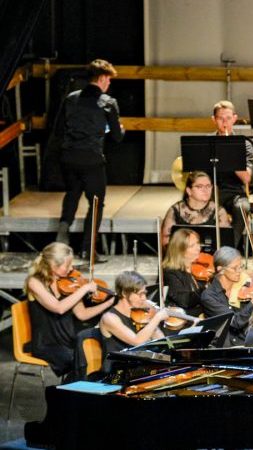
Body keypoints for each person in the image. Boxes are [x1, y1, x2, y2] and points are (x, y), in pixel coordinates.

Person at [52, 59, 122, 251]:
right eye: (108, 80)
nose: (109, 84)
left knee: (72, 194)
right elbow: (117, 137)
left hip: (68, 157)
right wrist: (117, 129)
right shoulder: (107, 103)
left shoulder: (71, 98)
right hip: (91, 158)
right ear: (101, 78)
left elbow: (58, 129)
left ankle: (62, 233)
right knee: (96, 203)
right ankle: (87, 249)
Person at [24, 243, 116, 376]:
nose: (71, 268)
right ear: (53, 265)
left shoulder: (69, 284)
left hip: (67, 338)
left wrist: (109, 303)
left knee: (97, 351)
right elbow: (58, 308)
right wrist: (84, 289)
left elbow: (82, 314)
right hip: (47, 344)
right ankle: (74, 392)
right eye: (67, 265)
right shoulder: (34, 282)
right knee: (79, 360)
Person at [203, 100, 253, 250]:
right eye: (221, 118)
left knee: (243, 208)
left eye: (228, 118)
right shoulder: (207, 142)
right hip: (211, 193)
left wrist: (230, 152)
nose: (225, 122)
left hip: (236, 193)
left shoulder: (244, 144)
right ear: (213, 120)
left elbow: (247, 178)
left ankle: (227, 252)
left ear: (235, 118)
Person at [198, 247, 253, 347]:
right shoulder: (209, 297)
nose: (239, 271)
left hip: (247, 342)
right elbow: (234, 322)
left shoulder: (243, 288)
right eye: (235, 268)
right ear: (220, 269)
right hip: (226, 348)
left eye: (241, 266)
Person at [160, 171, 231, 246]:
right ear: (189, 191)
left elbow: (225, 243)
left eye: (208, 186)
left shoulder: (219, 211)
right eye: (199, 186)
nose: (205, 190)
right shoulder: (175, 211)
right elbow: (166, 241)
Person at [161, 228, 207, 317]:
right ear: (180, 250)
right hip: (182, 321)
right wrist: (206, 288)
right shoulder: (170, 273)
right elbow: (185, 301)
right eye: (192, 246)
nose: (198, 248)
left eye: (198, 243)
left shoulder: (198, 268)